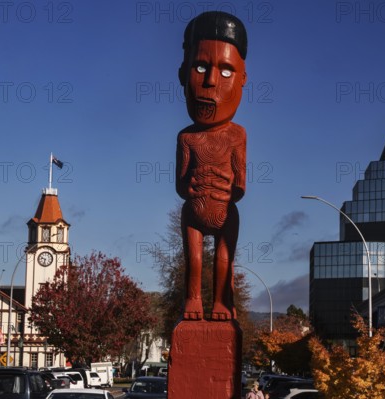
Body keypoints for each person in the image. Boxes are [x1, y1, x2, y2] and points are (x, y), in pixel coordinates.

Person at [176, 11, 248, 321]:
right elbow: (180, 183)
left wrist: (232, 189)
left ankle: (222, 301)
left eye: (227, 71)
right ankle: (192, 299)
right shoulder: (187, 137)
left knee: (223, 258)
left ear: (243, 79)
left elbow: (242, 182)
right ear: (183, 74)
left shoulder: (237, 135)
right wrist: (188, 187)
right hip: (194, 212)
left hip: (224, 211)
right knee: (193, 259)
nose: (210, 82)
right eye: (200, 67)